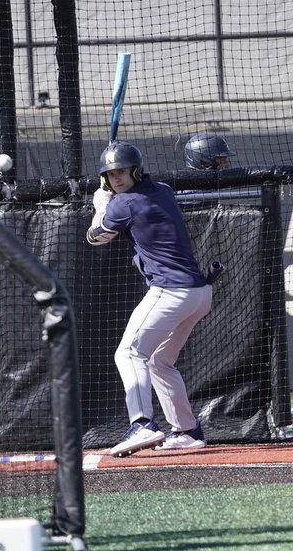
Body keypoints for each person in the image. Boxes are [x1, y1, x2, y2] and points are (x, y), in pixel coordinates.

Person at [87, 140, 213, 456]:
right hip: (199, 293)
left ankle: (142, 424)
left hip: (171, 291)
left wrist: (100, 205)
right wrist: (109, 202)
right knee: (159, 361)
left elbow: (96, 238)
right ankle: (187, 430)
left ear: (135, 170)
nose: (116, 178)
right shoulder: (163, 190)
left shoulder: (123, 204)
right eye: (110, 173)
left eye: (122, 171)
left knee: (129, 353)